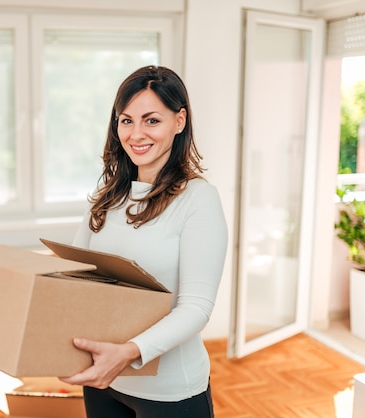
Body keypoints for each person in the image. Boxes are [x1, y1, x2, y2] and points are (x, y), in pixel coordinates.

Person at [56, 65, 228, 417]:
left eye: (152, 120)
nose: (136, 134)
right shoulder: (107, 198)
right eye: (126, 120)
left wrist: (129, 352)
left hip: (169, 392)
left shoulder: (198, 200)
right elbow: (73, 277)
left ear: (179, 121)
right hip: (104, 379)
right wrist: (9, 270)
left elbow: (196, 307)